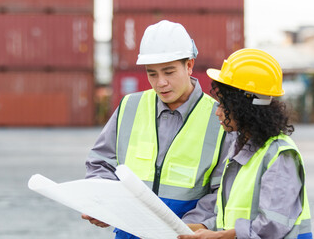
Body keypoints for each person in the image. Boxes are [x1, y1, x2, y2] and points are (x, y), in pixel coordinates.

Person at [82, 20, 227, 239]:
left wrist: (187, 227)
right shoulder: (129, 106)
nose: (160, 83)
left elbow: (224, 191)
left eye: (169, 72)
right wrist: (105, 205)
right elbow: (101, 163)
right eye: (152, 74)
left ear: (189, 65)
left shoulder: (219, 118)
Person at [178, 48, 312, 239]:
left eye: (224, 104)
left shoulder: (279, 155)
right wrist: (195, 228)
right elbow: (229, 216)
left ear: (246, 108)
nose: (218, 112)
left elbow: (273, 226)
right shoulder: (241, 147)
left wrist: (221, 236)